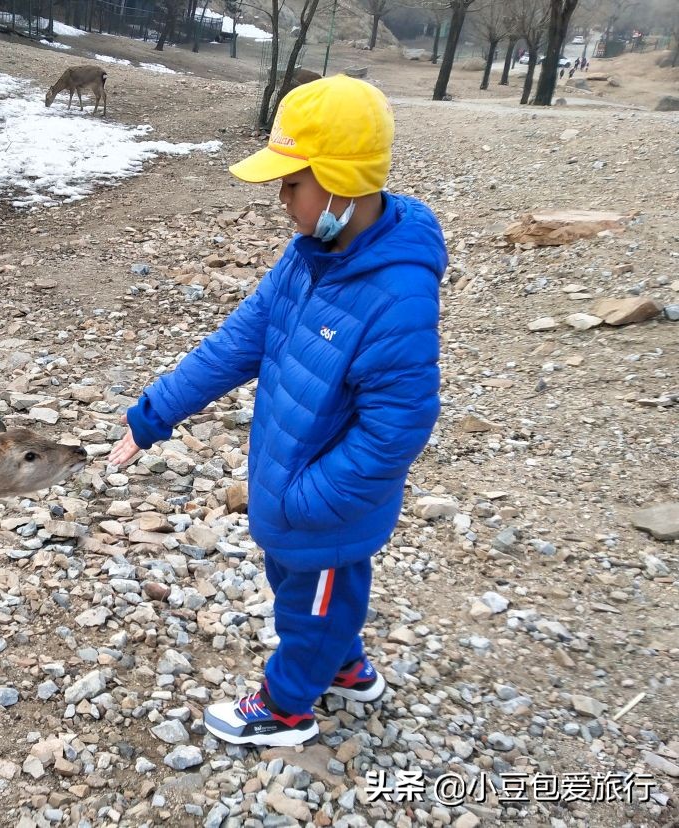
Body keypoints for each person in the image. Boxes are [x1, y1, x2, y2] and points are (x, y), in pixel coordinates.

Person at [106, 75, 447, 748]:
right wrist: (153, 414)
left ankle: (288, 705)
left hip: (323, 509)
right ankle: (346, 667)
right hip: (291, 494)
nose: (281, 199)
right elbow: (240, 341)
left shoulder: (397, 294)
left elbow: (398, 427)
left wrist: (304, 500)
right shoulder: (309, 256)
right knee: (314, 595)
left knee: (307, 610)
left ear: (342, 185)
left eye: (292, 184)